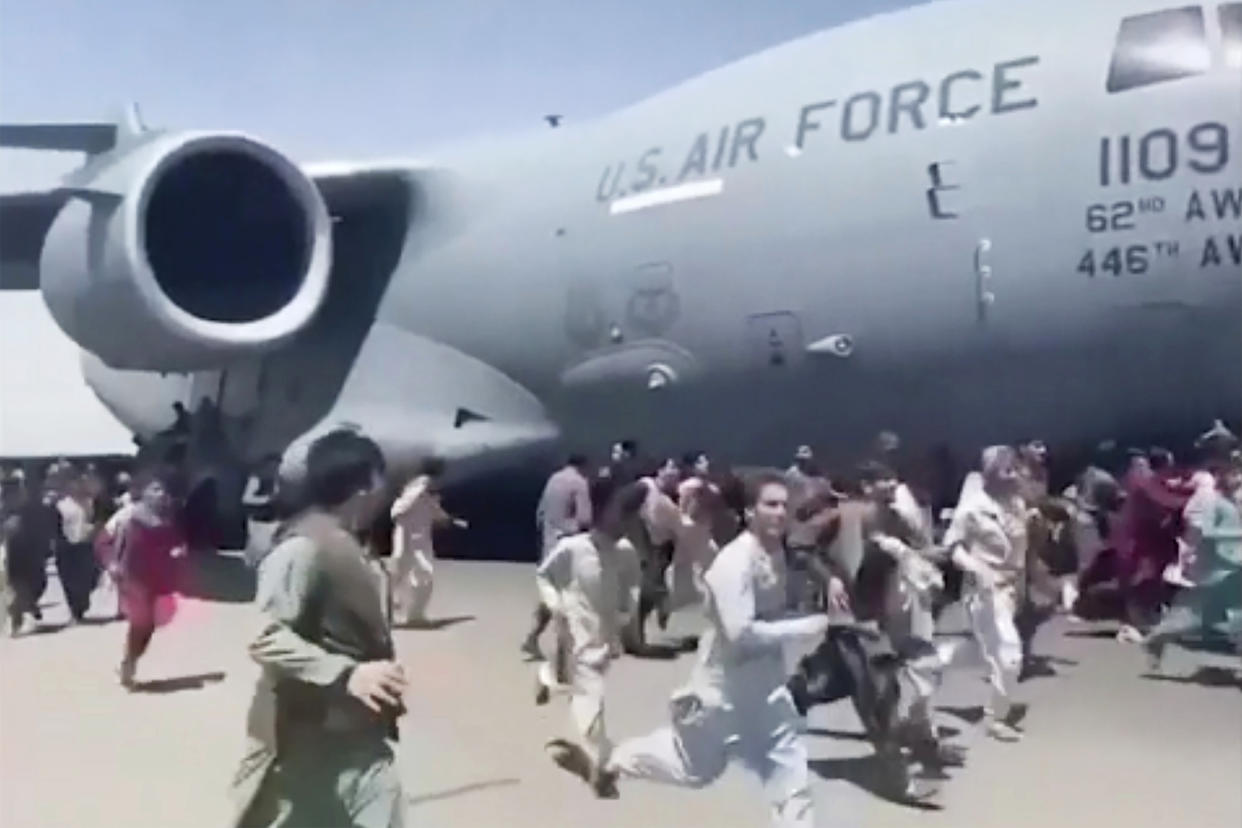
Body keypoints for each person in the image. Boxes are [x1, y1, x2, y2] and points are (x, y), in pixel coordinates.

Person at [595, 472, 828, 827]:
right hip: (721, 694)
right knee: (692, 769)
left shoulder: (776, 553)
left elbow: (770, 613)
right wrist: (805, 627)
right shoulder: (734, 563)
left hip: (766, 694)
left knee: (792, 781)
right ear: (750, 511)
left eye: (785, 505)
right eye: (771, 504)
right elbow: (739, 633)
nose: (780, 512)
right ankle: (614, 761)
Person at [231, 429, 408, 828]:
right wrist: (347, 673)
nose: (386, 490)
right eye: (382, 478)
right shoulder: (302, 550)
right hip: (306, 747)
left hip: (363, 743)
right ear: (365, 483)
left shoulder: (349, 546)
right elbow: (266, 637)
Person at [538, 477, 644, 798]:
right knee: (590, 699)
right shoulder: (573, 548)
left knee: (581, 689)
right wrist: (557, 608)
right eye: (621, 511)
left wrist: (627, 616)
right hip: (574, 636)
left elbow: (632, 587)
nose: (628, 518)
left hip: (605, 641)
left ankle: (546, 677)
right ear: (600, 511)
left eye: (631, 512)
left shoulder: (626, 552)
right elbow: (544, 575)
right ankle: (599, 770)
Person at [942, 445, 1029, 742]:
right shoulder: (972, 508)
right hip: (984, 592)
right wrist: (976, 568)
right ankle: (996, 717)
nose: (1015, 474)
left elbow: (1020, 551)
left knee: (985, 651)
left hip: (1012, 589)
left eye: (1016, 468)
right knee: (1009, 655)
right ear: (990, 475)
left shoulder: (1017, 505)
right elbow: (952, 547)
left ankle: (932, 660)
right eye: (1008, 470)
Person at [1142, 454, 1242, 671]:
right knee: (1190, 618)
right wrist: (1236, 534)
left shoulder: (1231, 500)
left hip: (1233, 567)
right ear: (1220, 476)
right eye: (1233, 474)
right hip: (1213, 569)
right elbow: (1203, 533)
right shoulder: (1208, 500)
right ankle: (1155, 639)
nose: (1238, 478)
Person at [112, 468, 186, 687]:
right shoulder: (129, 515)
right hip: (133, 576)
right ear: (143, 492)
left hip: (156, 577)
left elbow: (174, 541)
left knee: (150, 624)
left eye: (163, 490)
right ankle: (129, 664)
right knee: (141, 620)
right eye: (155, 489)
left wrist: (178, 551)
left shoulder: (167, 517)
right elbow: (115, 540)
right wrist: (114, 563)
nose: (161, 494)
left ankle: (131, 658)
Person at [523, 454, 594, 658]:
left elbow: (540, 513)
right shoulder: (580, 483)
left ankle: (533, 637)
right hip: (567, 545)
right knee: (569, 599)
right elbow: (584, 518)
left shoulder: (553, 479)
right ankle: (564, 649)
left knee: (550, 594)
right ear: (584, 465)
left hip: (548, 544)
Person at [388, 458, 465, 627]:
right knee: (413, 574)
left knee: (412, 575)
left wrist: (451, 520)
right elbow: (399, 509)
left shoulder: (424, 490)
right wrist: (400, 514)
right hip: (409, 539)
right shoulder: (420, 488)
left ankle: (412, 615)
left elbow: (433, 510)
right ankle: (400, 613)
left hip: (417, 539)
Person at [3, 475, 59, 636]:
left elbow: (42, 529)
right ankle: (17, 621)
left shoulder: (34, 509)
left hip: (31, 553)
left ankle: (29, 606)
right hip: (14, 556)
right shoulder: (6, 511)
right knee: (17, 589)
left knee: (36, 584)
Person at [55, 470, 100, 623]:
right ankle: (75, 611)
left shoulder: (89, 502)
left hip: (85, 545)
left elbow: (94, 520)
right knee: (69, 581)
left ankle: (82, 603)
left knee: (90, 578)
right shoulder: (61, 505)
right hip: (66, 547)